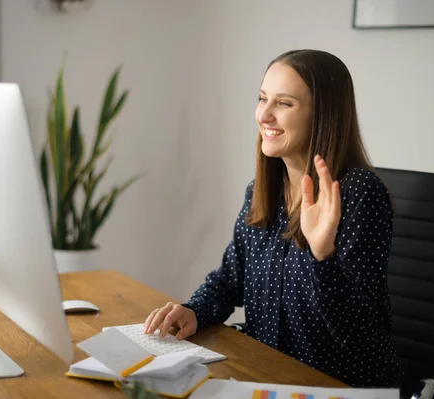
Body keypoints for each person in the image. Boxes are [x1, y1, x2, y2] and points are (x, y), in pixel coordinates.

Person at [142, 49, 402, 388]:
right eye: (262, 99)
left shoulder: (358, 193)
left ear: (321, 116)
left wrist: (322, 256)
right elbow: (230, 280)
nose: (264, 114)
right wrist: (193, 311)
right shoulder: (262, 190)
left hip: (336, 384)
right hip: (267, 375)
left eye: (284, 103)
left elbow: (354, 334)